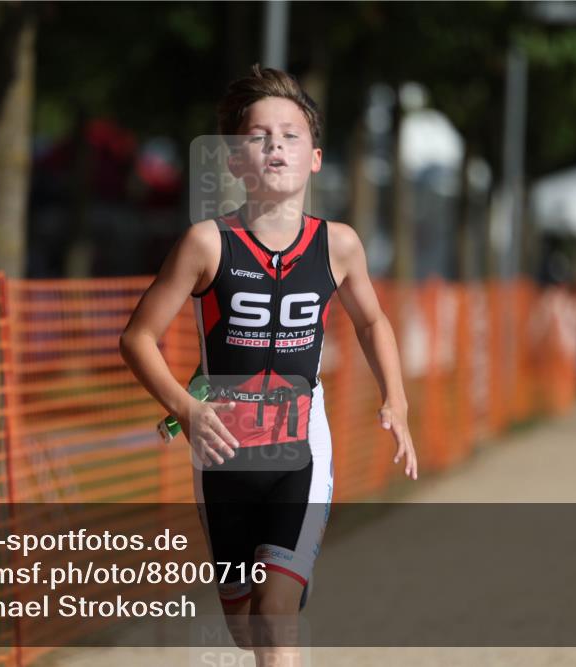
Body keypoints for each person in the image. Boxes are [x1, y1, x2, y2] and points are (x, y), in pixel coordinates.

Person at [119, 64, 416, 665]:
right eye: (258, 136)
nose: (275, 145)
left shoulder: (340, 244)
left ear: (315, 158)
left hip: (302, 452)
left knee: (277, 617)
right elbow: (137, 338)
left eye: (290, 134)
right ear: (234, 160)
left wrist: (397, 401)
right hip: (222, 455)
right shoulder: (207, 243)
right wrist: (185, 408)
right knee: (247, 625)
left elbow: (371, 321)